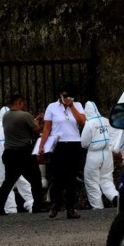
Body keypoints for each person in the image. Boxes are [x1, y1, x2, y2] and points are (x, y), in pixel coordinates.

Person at [39, 83, 86, 219]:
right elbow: (47, 128)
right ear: (60, 94)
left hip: (74, 143)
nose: (67, 98)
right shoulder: (52, 107)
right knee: (59, 176)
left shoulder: (77, 106)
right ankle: (55, 204)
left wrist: (71, 106)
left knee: (71, 177)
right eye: (65, 96)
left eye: (70, 96)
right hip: (58, 144)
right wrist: (42, 145)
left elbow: (83, 121)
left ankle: (71, 208)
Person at [0, 94, 46, 215]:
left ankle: (0, 206)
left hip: (9, 153)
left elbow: (21, 127)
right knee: (35, 180)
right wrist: (39, 121)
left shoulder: (6, 116)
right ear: (19, 103)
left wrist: (35, 120)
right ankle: (37, 206)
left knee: (8, 181)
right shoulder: (25, 115)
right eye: (23, 103)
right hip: (24, 153)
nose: (24, 106)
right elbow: (36, 130)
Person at [0, 106, 34, 213]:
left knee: (5, 181)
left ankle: (10, 207)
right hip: (17, 152)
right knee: (21, 179)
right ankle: (31, 202)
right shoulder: (15, 122)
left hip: (3, 154)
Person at [81, 101, 119, 209]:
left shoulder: (89, 124)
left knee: (92, 181)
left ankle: (98, 207)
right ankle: (115, 196)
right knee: (107, 178)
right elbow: (114, 136)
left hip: (94, 154)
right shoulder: (106, 121)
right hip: (107, 154)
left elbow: (84, 142)